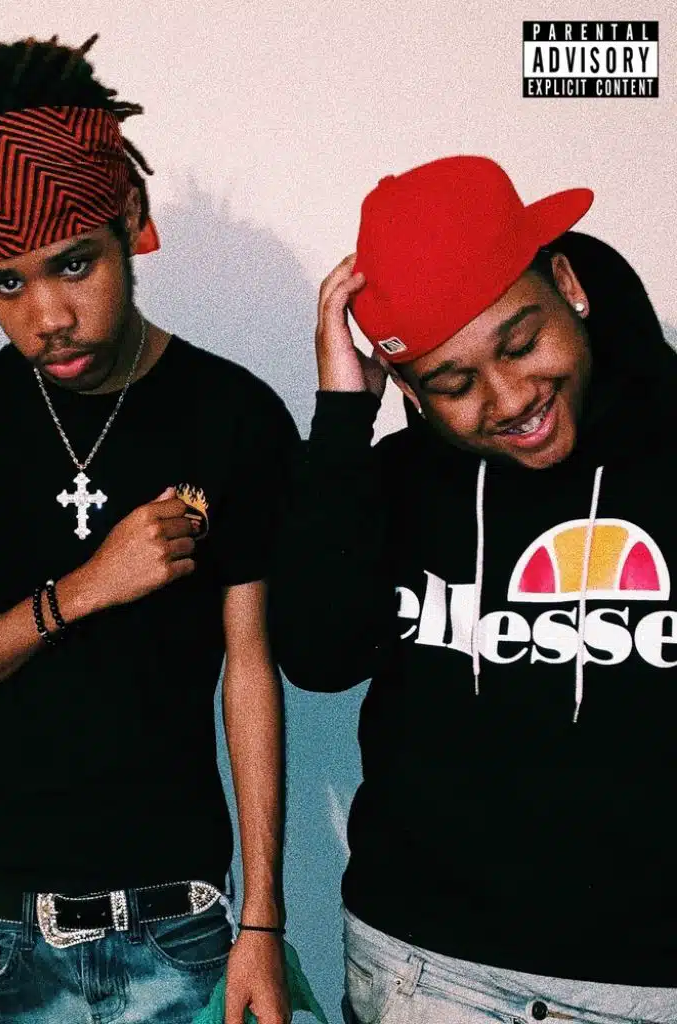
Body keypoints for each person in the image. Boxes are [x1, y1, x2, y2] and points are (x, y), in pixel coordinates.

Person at [0, 34, 298, 1024]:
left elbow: (250, 671)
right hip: (5, 930)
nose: (47, 316)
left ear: (130, 219)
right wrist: (81, 592)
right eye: (4, 283)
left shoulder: (231, 415)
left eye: (72, 265)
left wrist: (264, 920)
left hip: (181, 921)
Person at [270, 153, 677, 1023]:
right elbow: (317, 655)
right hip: (428, 972)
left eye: (521, 344)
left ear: (567, 284)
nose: (509, 398)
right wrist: (342, 418)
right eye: (452, 384)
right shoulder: (395, 484)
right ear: (410, 392)